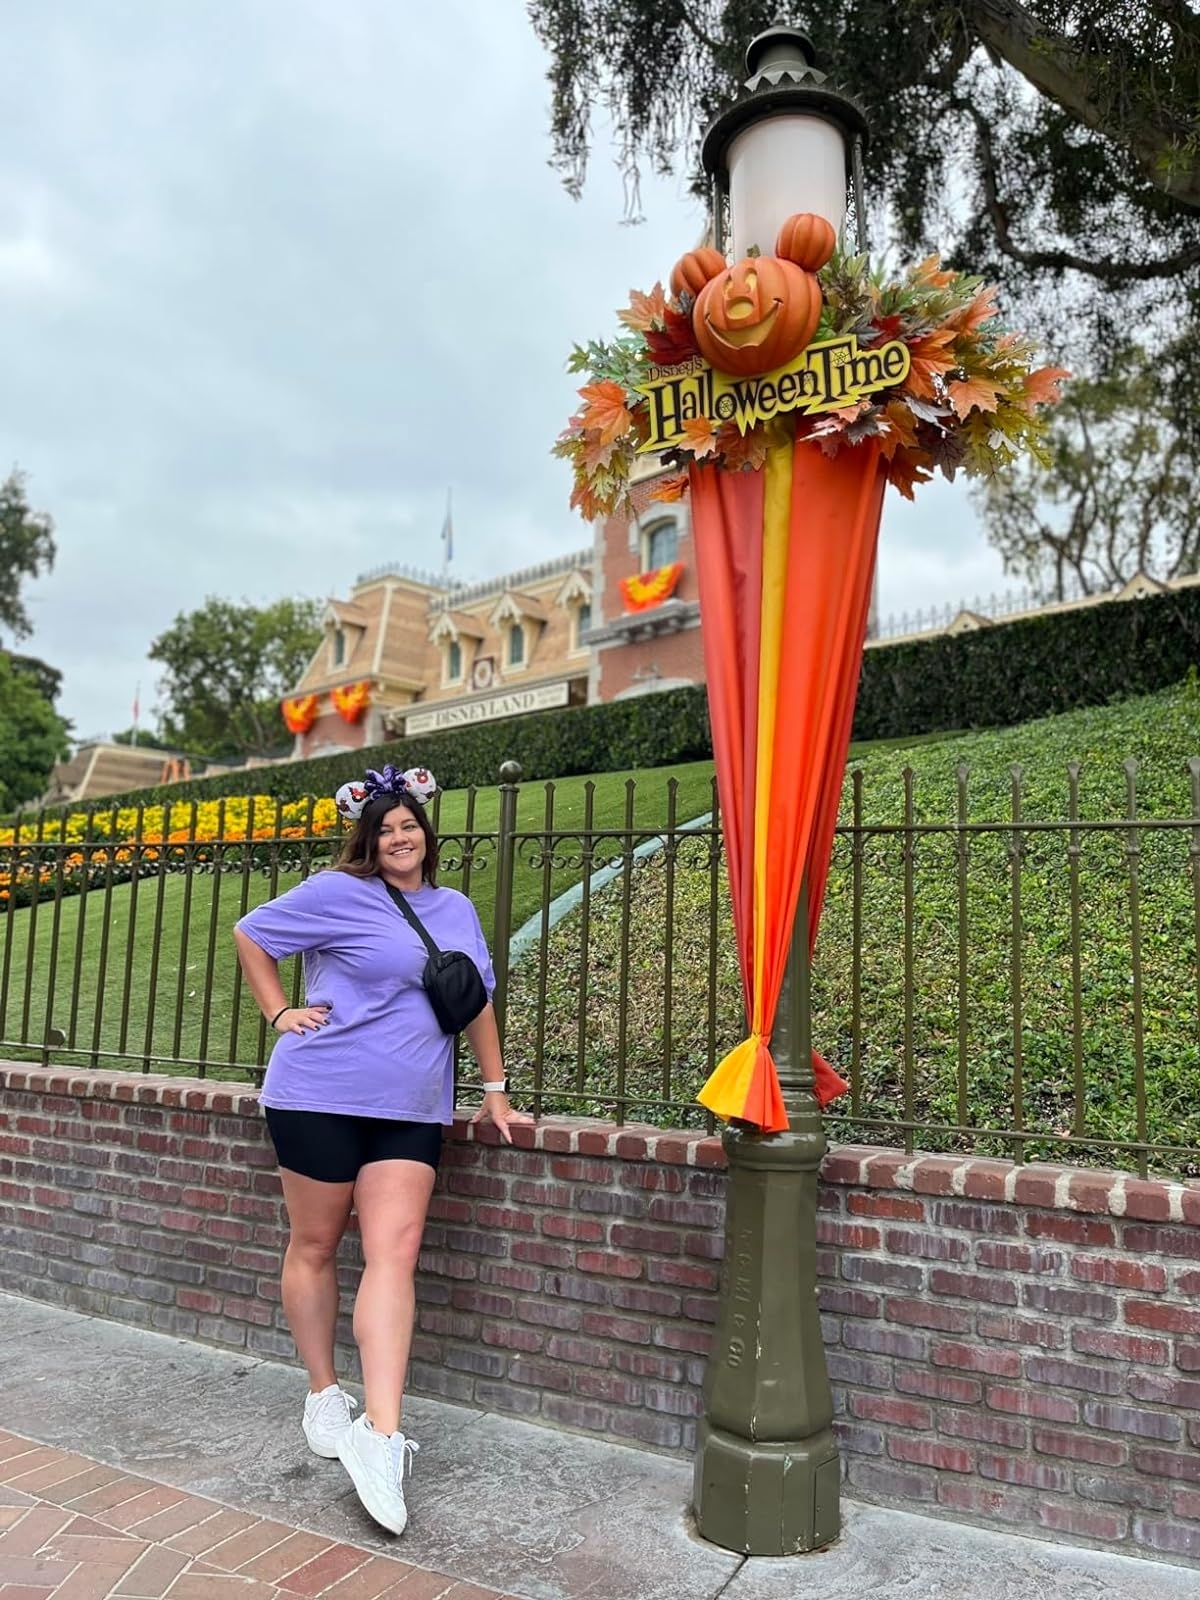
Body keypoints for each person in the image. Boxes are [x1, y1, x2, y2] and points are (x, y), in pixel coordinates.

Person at [233, 763, 531, 1537]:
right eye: (386, 829)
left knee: (395, 1250)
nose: (400, 838)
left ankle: (382, 1433)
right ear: (368, 838)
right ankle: (325, 1393)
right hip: (318, 1094)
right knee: (317, 1243)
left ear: (428, 833)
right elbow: (252, 935)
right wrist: (279, 1013)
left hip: (411, 1106)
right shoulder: (335, 893)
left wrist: (495, 1087)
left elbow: (477, 1001)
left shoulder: (457, 908)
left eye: (410, 826)